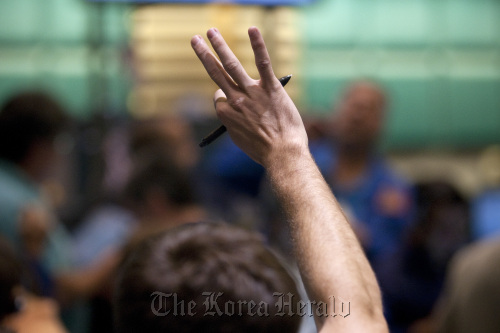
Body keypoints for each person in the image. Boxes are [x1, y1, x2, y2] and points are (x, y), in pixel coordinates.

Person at [115, 26, 388, 332]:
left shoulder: (390, 185)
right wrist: (289, 149)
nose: (357, 116)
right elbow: (357, 315)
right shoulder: (314, 157)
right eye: (353, 105)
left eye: (369, 109)